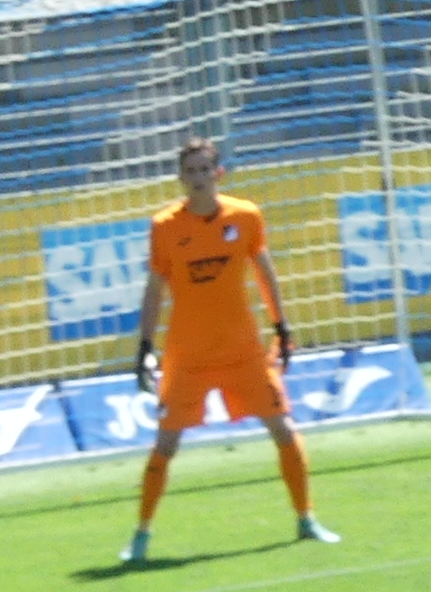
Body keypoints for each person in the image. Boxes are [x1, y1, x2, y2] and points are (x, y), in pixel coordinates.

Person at [126, 137, 340, 569]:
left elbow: (263, 270)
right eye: (191, 171)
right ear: (181, 178)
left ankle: (306, 518)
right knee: (165, 445)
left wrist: (281, 325)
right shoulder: (165, 226)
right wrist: (144, 347)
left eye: (206, 170)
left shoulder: (245, 216)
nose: (199, 179)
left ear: (218, 174)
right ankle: (141, 534)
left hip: (243, 350)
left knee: (282, 427)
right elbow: (154, 289)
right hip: (187, 356)